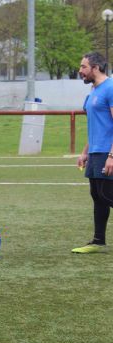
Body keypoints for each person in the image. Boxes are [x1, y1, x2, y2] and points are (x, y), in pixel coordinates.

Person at [73, 51, 113, 254]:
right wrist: (84, 152)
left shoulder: (111, 88)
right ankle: (98, 241)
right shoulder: (92, 92)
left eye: (83, 67)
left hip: (108, 152)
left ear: (95, 67)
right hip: (95, 153)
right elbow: (94, 126)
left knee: (107, 195)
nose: (80, 71)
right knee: (97, 195)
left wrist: (112, 156)